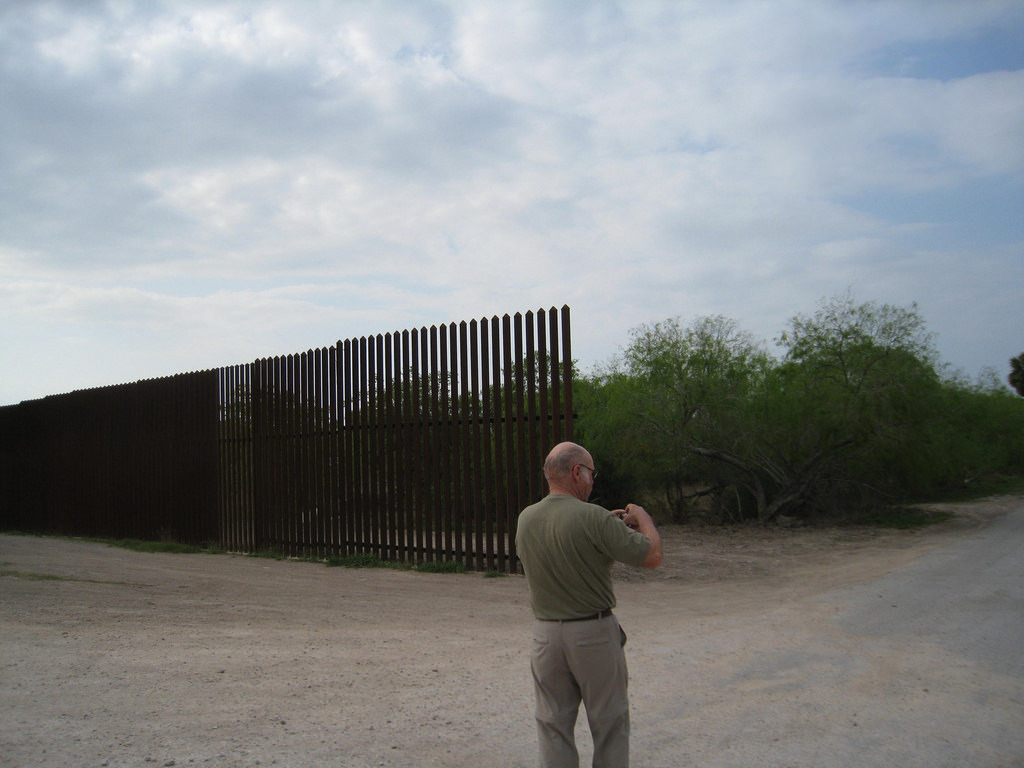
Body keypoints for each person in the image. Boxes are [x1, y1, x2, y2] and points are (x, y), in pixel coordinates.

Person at [516, 441, 663, 768]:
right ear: (577, 472)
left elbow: (567, 549)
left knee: (553, 726)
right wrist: (644, 519)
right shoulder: (594, 518)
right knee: (609, 723)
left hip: (545, 637)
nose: (593, 481)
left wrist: (605, 525)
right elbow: (652, 556)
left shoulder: (526, 518)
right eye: (592, 474)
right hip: (593, 634)